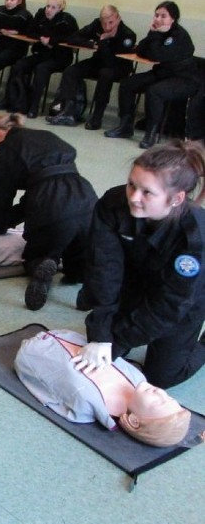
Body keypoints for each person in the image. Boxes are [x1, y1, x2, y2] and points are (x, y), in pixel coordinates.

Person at [77, 140, 205, 389]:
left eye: (147, 192)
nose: (134, 197)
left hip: (186, 298)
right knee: (103, 344)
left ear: (177, 198)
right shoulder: (113, 204)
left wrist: (118, 339)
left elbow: (171, 306)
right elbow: (103, 268)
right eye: (131, 185)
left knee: (161, 378)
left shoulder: (195, 239)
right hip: (137, 279)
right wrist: (102, 333)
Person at [0, 113, 98, 310]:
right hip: (87, 199)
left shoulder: (4, 151)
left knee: (39, 253)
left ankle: (43, 266)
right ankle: (84, 277)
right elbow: (45, 187)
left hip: (51, 208)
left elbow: (1, 195)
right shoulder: (47, 136)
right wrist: (10, 218)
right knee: (79, 260)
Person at [15, 329, 192, 448]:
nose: (160, 392)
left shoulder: (85, 407)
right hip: (65, 335)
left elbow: (48, 390)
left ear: (134, 421)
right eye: (168, 398)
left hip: (35, 351)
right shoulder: (138, 378)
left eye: (157, 403)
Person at [105, 1, 200, 149]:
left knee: (155, 91)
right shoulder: (158, 32)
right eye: (156, 15)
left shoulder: (178, 35)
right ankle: (125, 125)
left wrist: (155, 36)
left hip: (184, 79)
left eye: (164, 16)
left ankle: (151, 133)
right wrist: (153, 34)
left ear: (173, 19)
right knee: (127, 83)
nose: (158, 19)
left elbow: (156, 55)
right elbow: (141, 50)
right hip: (164, 74)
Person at [46, 5, 137, 130]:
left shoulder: (128, 35)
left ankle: (97, 116)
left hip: (119, 67)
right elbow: (73, 38)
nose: (107, 27)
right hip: (98, 62)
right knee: (71, 71)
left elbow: (111, 62)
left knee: (105, 74)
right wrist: (91, 43)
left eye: (111, 22)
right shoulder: (96, 24)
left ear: (118, 19)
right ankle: (68, 112)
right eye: (104, 23)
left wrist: (103, 41)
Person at [0, 0, 78, 118]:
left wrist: (52, 41)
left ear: (60, 9)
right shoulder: (40, 15)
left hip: (59, 57)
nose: (49, 10)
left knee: (41, 69)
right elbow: (29, 31)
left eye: (53, 7)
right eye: (48, 6)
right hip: (41, 53)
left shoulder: (67, 20)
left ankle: (34, 106)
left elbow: (72, 38)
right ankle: (9, 100)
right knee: (19, 65)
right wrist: (41, 39)